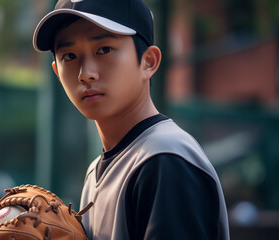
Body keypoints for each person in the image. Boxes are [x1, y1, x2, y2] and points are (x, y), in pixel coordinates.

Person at [32, 0, 230, 239]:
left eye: (103, 49)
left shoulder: (164, 159)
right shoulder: (97, 170)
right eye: (69, 56)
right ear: (57, 72)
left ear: (149, 62)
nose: (85, 74)